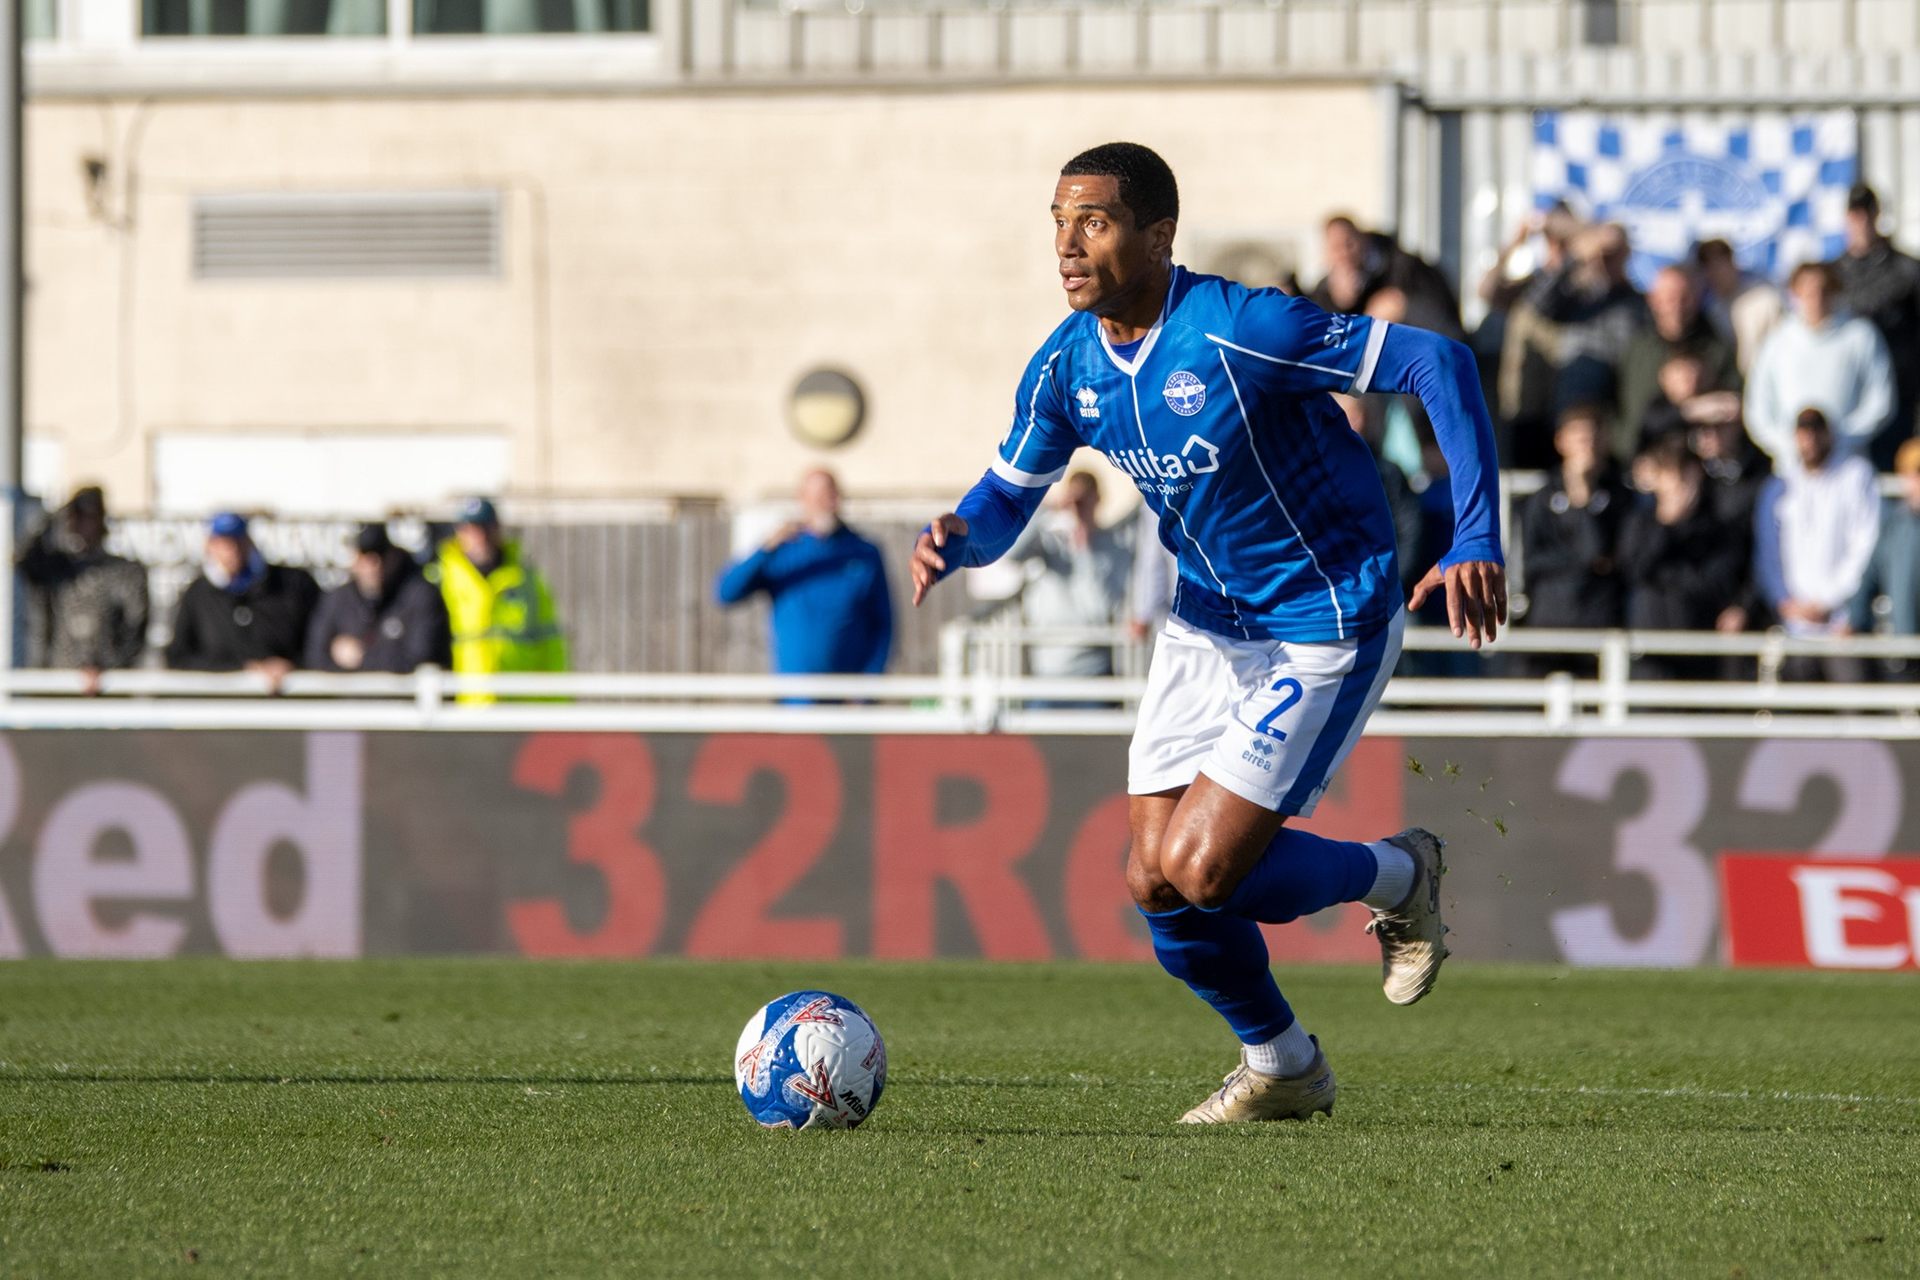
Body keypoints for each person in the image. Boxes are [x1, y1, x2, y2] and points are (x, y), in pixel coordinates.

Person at [909, 142, 1505, 1123]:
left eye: (1092, 221)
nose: (1066, 244)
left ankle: (1402, 871)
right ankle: (1282, 1061)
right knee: (1154, 878)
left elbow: (1436, 360)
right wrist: (961, 535)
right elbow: (1009, 493)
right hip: (1208, 621)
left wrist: (1479, 532)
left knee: (1205, 868)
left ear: (1157, 234)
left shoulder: (1239, 326)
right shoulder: (1067, 365)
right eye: (1057, 222)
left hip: (1326, 614)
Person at [716, 469, 892, 675]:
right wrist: (765, 549)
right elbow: (725, 593)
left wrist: (866, 691)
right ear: (802, 500)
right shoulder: (784, 551)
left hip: (845, 694)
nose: (827, 503)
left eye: (831, 495)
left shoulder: (863, 553)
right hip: (794, 696)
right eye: (818, 497)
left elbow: (882, 625)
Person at [1754, 409, 1881, 682]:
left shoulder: (1856, 476)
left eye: (1816, 431)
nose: (1809, 440)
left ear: (1829, 434)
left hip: (1841, 624)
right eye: (1803, 432)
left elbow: (1865, 545)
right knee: (1794, 711)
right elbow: (1768, 550)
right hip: (1794, 624)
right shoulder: (1781, 485)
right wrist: (1784, 601)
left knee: (1854, 706)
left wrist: (1835, 601)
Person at [1616, 437, 1751, 680]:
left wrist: (1671, 577)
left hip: (1701, 649)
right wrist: (1666, 525)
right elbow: (1635, 569)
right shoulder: (1641, 523)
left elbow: (1717, 580)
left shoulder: (1718, 528)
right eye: (1670, 474)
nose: (1679, 484)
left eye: (1686, 474)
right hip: (1651, 652)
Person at [1745, 262, 1896, 475]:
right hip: (1791, 473)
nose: (1816, 297)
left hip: (1848, 466)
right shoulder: (1776, 342)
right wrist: (1792, 445)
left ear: (1835, 290)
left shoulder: (1861, 335)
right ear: (1794, 293)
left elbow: (1881, 400)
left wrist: (1840, 439)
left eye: (1824, 289)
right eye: (1807, 290)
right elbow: (1757, 411)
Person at [1515, 405, 1630, 672]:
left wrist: (1581, 499)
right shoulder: (1541, 498)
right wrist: (1585, 563)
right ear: (1561, 441)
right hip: (1548, 622)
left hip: (1598, 622)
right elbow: (1532, 561)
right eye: (1579, 438)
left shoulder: (1620, 496)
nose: (1586, 447)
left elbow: (1602, 553)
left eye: (1592, 439)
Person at [164, 512, 319, 690]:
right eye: (224, 543)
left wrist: (291, 665)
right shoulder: (198, 593)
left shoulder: (292, 585)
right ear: (210, 546)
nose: (232, 550)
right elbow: (178, 656)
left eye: (238, 540)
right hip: (216, 705)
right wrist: (241, 669)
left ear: (249, 542)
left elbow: (318, 646)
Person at [16, 485, 148, 690]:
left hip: (110, 688)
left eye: (88, 516)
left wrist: (107, 668)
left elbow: (136, 629)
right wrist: (54, 517)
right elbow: (22, 560)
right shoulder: (58, 569)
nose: (80, 523)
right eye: (76, 515)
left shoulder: (126, 572)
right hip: (58, 684)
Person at [428, 498, 567, 690]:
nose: (480, 536)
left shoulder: (527, 581)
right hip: (466, 707)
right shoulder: (439, 578)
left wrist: (555, 707)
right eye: (471, 529)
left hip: (518, 705)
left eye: (486, 527)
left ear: (498, 529)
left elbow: (551, 646)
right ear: (459, 533)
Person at [1008, 470, 1132, 680]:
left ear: (1099, 500)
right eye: (1074, 500)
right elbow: (1011, 556)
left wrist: (1084, 552)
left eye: (1084, 501)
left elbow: (1099, 609)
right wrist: (1046, 509)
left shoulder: (1116, 548)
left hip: (1094, 669)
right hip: (1047, 668)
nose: (1078, 507)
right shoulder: (1051, 542)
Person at [1832, 184, 1920, 471]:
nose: (1861, 222)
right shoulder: (1831, 275)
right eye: (1855, 215)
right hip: (1847, 401)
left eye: (1866, 213)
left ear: (1876, 215)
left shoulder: (1906, 269)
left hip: (1900, 400)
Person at [1614, 265, 1740, 458]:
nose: (1676, 307)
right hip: (1645, 457)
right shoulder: (1638, 350)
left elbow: (1732, 403)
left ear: (1697, 299)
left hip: (1701, 461)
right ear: (1653, 301)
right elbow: (1632, 415)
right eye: (1669, 299)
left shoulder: (1716, 346)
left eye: (1684, 298)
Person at [304, 523, 452, 674]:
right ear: (354, 558)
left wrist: (363, 656)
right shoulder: (339, 597)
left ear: (393, 555)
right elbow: (315, 655)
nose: (374, 564)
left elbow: (421, 656)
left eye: (381, 554)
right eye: (366, 556)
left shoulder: (418, 594)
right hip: (349, 696)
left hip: (400, 695)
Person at [1850, 438, 1920, 655]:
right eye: (1916, 472)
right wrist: (1853, 620)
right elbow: (1869, 578)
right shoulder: (1895, 526)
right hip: (1905, 650)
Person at [1694, 238, 1785, 377]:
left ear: (1732, 263)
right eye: (1708, 267)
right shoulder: (1712, 308)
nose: (1715, 273)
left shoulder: (1764, 299)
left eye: (1719, 265)